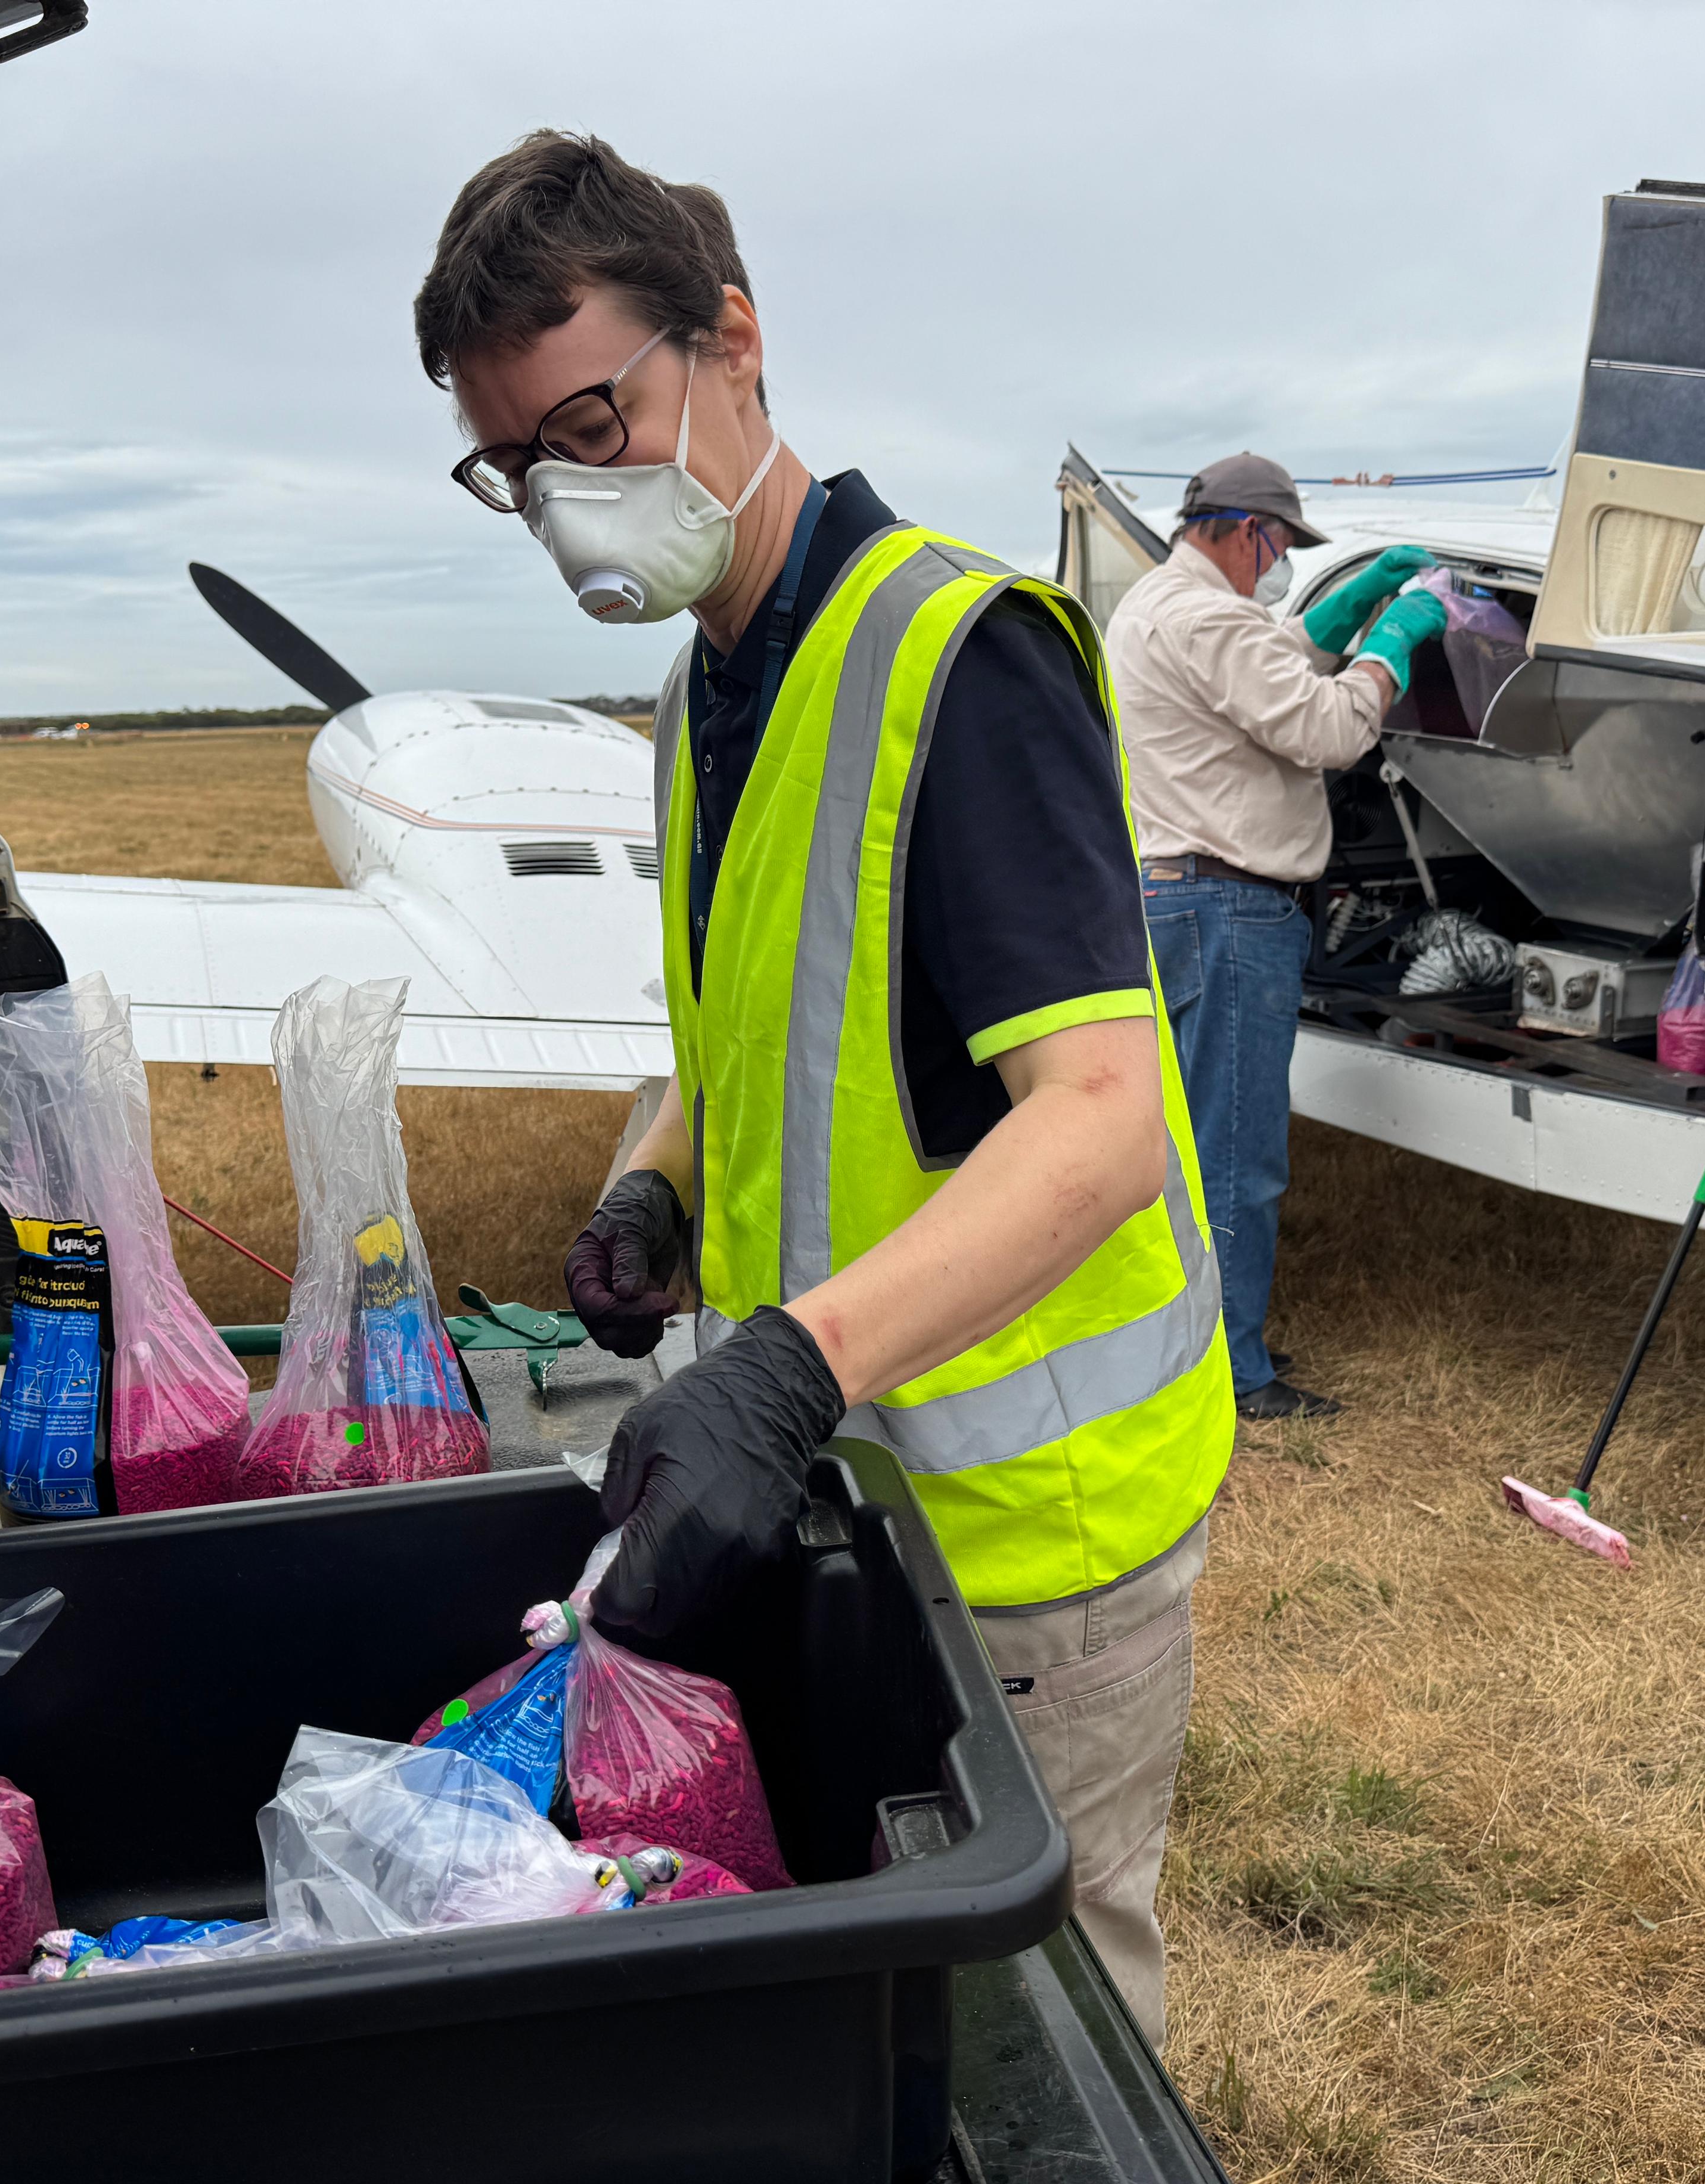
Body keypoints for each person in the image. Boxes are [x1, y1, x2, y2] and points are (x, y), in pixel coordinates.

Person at [415, 132, 1231, 2039]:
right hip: (864, 1492)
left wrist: (787, 1364)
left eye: (592, 422)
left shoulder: (961, 657)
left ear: (736, 341)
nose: (563, 498)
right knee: (891, 2021)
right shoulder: (713, 687)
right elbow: (755, 1031)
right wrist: (660, 1185)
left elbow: (1103, 1119)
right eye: (516, 465)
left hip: (1037, 1527)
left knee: (1045, 2044)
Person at [1102, 455, 1442, 1420]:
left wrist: (1321, 632)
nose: (1282, 564)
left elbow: (1258, 669)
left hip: (1169, 898)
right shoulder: (1208, 616)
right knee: (1237, 1153)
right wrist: (1388, 647)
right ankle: (1236, 1373)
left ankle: (1189, 1342)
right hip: (1229, 909)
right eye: (1282, 545)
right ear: (1249, 529)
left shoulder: (1154, 606)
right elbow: (1328, 732)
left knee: (1183, 1144)